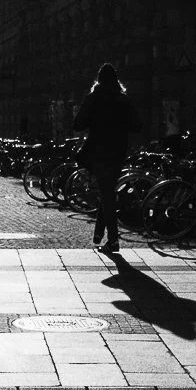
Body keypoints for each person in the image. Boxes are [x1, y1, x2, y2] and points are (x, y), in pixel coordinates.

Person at [73, 62, 141, 255]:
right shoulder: (123, 100)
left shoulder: (94, 98)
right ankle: (98, 233)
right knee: (108, 190)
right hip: (118, 152)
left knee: (107, 193)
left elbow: (78, 124)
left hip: (99, 153)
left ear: (99, 79)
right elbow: (137, 126)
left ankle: (112, 240)